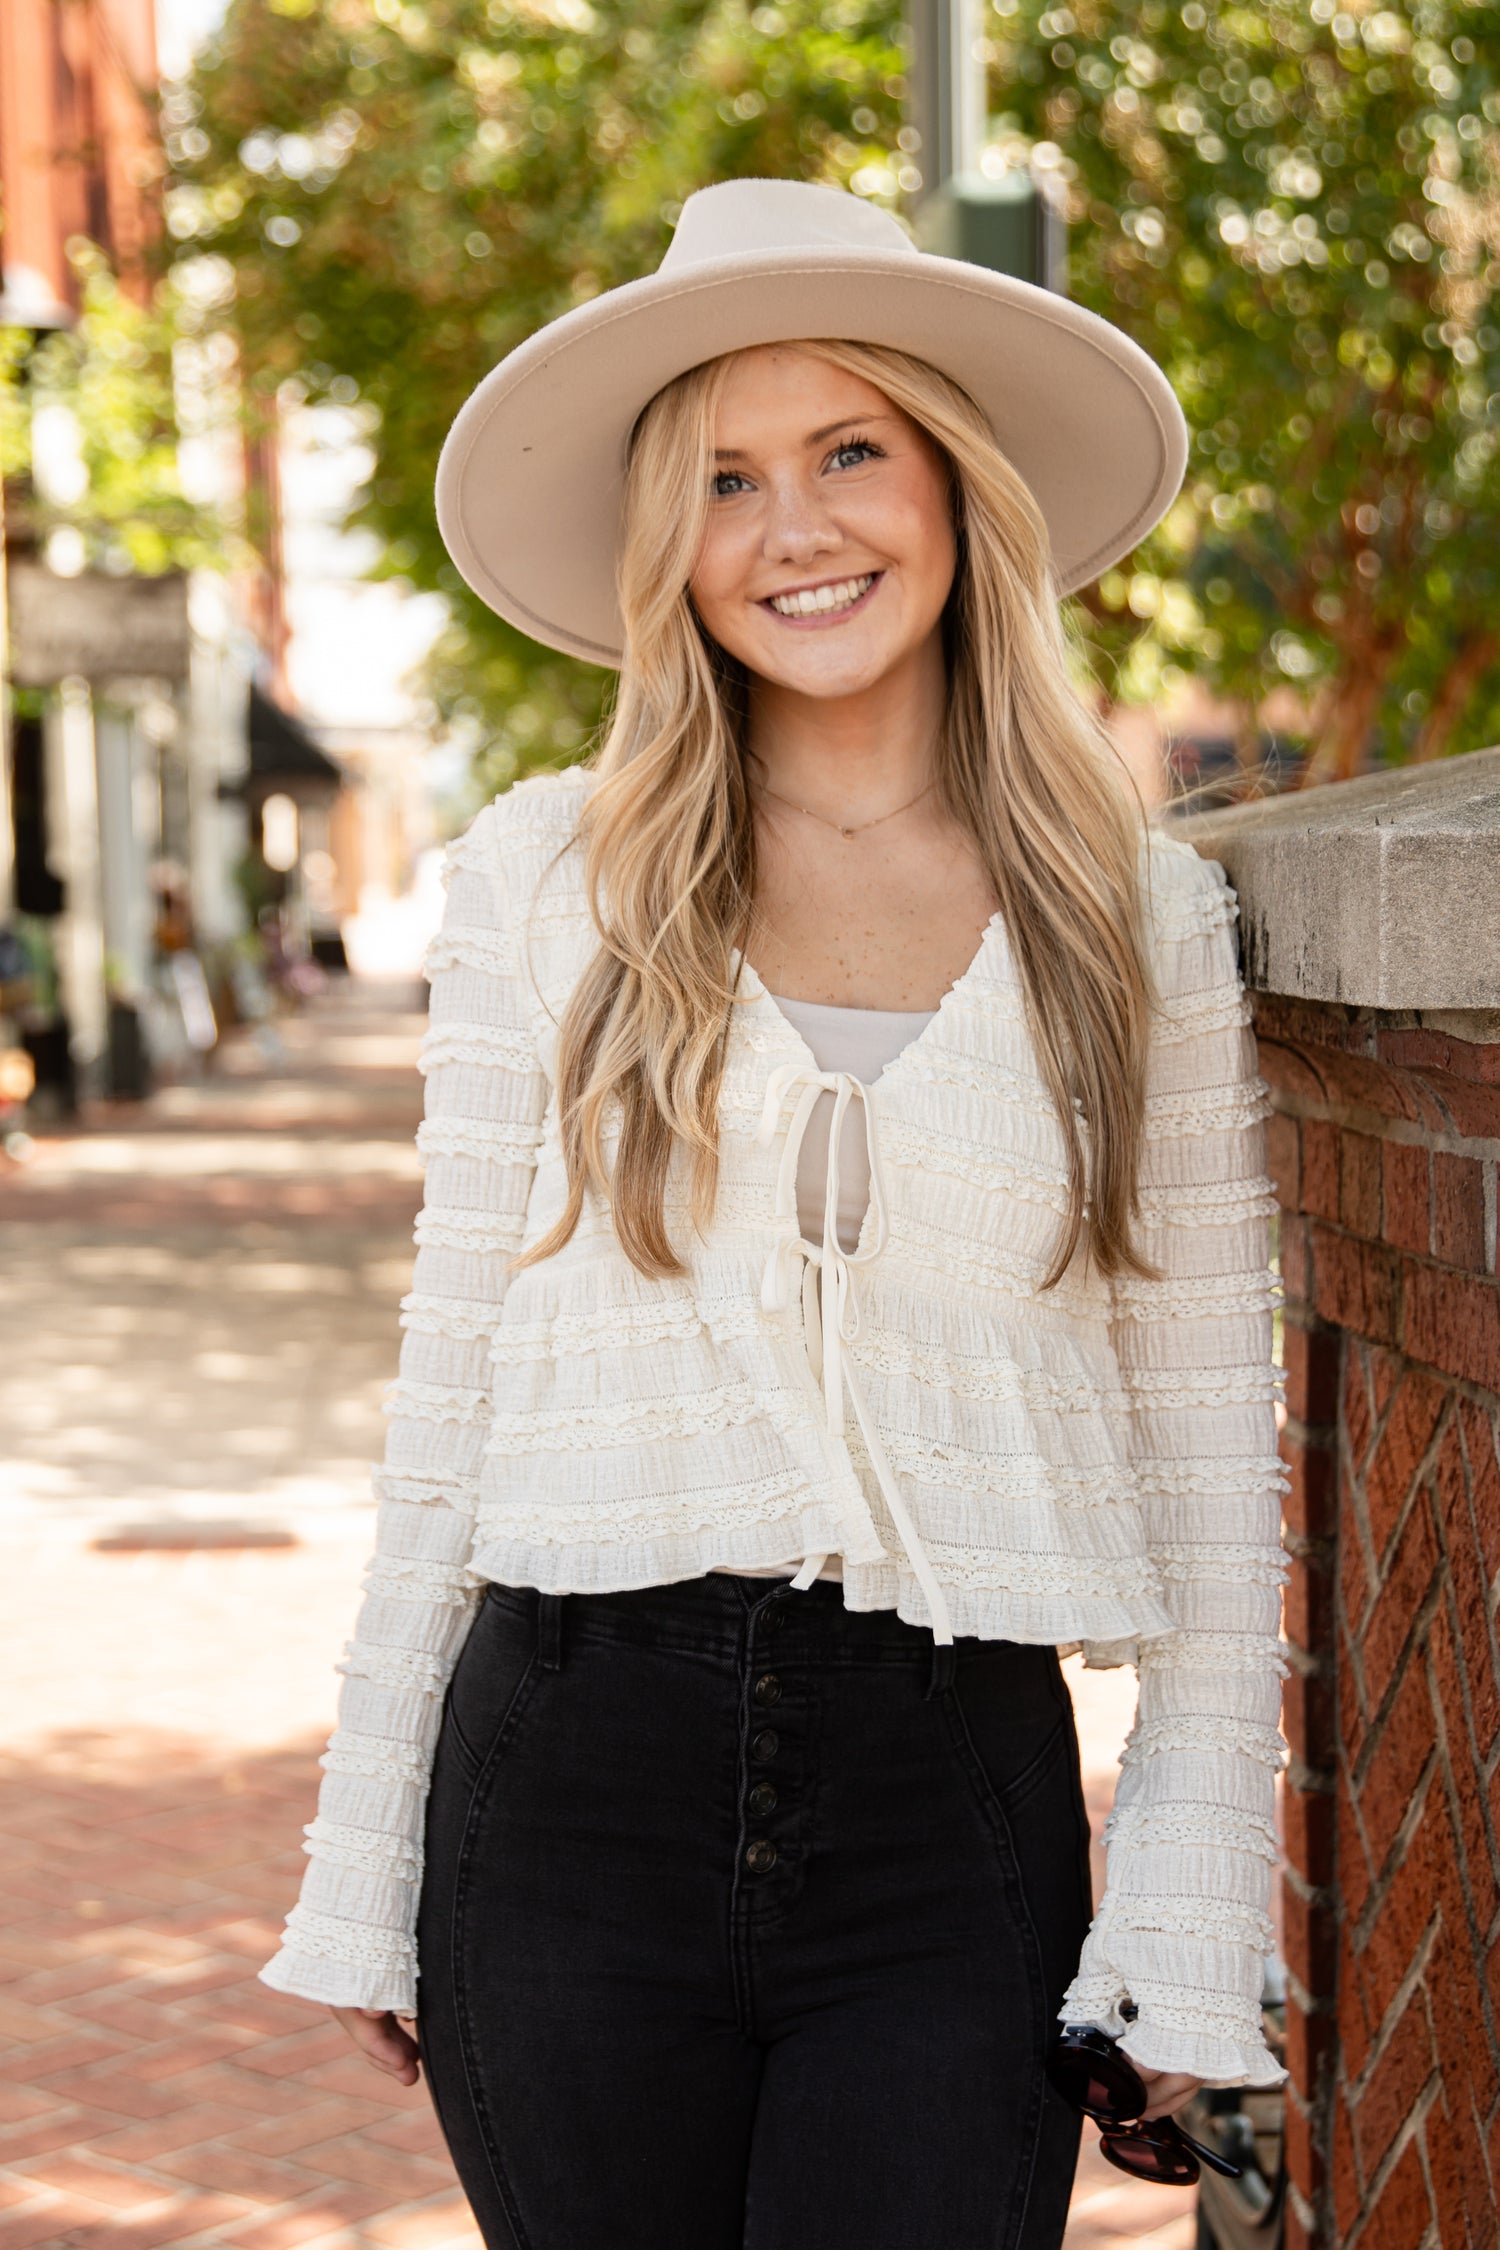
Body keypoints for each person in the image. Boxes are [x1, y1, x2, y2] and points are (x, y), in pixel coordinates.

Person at [259, 179, 1291, 2249]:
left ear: (950, 487)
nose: (794, 528)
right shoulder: (548, 877)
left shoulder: (1130, 914)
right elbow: (448, 1389)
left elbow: (1209, 1457)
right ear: (669, 546)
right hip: (560, 1795)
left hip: (947, 1812)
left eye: (848, 453)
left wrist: (1186, 1909)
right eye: (725, 478)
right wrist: (362, 1862)